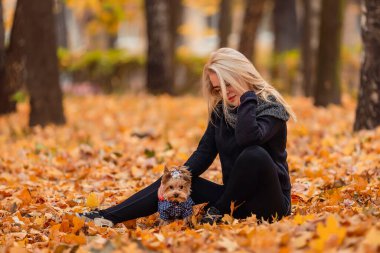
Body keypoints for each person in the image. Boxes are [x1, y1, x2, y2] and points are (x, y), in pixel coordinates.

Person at [78, 47, 296, 226]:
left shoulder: (271, 107)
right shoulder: (222, 111)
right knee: (176, 177)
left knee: (254, 155)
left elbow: (249, 138)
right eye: (218, 88)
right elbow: (203, 153)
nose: (225, 92)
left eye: (228, 83)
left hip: (269, 205)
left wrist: (248, 97)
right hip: (236, 204)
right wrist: (176, 177)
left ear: (241, 74)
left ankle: (216, 210)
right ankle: (106, 217)